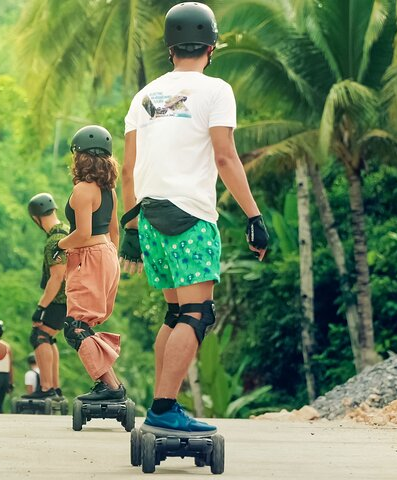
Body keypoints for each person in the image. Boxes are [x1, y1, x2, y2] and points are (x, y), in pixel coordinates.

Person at [120, 2, 269, 433]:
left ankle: (162, 405)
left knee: (174, 315)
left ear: (170, 48)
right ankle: (164, 409)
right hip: (190, 216)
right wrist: (254, 216)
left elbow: (128, 170)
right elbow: (225, 156)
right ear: (211, 46)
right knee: (197, 314)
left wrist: (130, 229)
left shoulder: (143, 96)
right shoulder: (215, 90)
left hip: (148, 217)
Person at [57, 125, 125, 402]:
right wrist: (108, 262)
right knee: (83, 325)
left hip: (90, 256)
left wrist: (59, 246)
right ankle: (110, 383)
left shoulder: (83, 190)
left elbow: (83, 233)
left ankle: (111, 386)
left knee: (74, 326)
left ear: (79, 157)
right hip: (107, 254)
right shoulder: (108, 191)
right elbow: (114, 232)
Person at [23, 193, 68, 399]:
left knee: (39, 335)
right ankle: (55, 388)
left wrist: (41, 307)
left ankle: (47, 388)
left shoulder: (54, 241)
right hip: (69, 297)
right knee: (48, 337)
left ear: (36, 218)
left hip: (60, 299)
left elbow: (57, 277)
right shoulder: (67, 231)